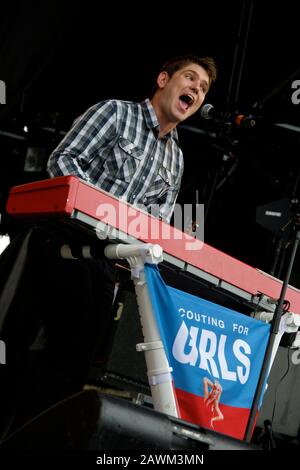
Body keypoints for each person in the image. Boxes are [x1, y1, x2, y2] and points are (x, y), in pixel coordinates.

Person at [1, 55, 217, 434]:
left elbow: (155, 224)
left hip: (103, 267)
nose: (196, 91)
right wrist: (107, 213)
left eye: (202, 90)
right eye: (190, 79)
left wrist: (169, 237)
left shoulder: (176, 159)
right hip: (58, 243)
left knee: (67, 374)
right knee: (13, 352)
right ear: (163, 78)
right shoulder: (115, 113)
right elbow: (63, 160)